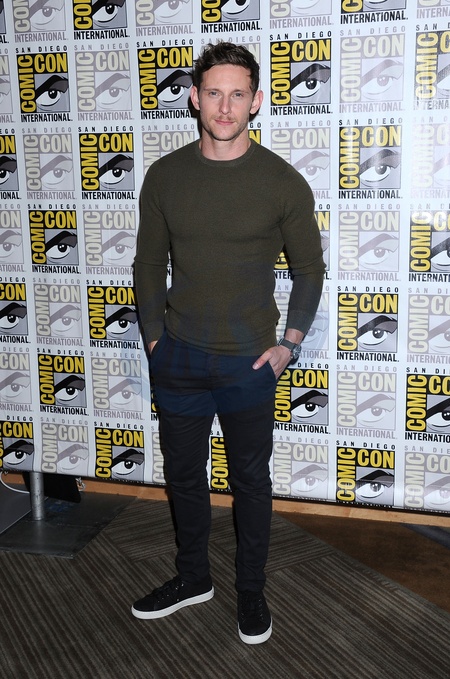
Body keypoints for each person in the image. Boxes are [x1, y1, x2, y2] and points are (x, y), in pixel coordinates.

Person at [132, 41, 325, 645]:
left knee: (250, 482)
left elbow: (309, 269)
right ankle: (194, 578)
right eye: (213, 93)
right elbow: (147, 264)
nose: (224, 106)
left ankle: (250, 589)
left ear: (256, 101)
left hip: (249, 361)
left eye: (237, 94)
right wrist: (155, 340)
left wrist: (289, 344)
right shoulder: (165, 176)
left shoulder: (282, 181)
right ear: (194, 98)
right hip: (179, 357)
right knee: (185, 478)